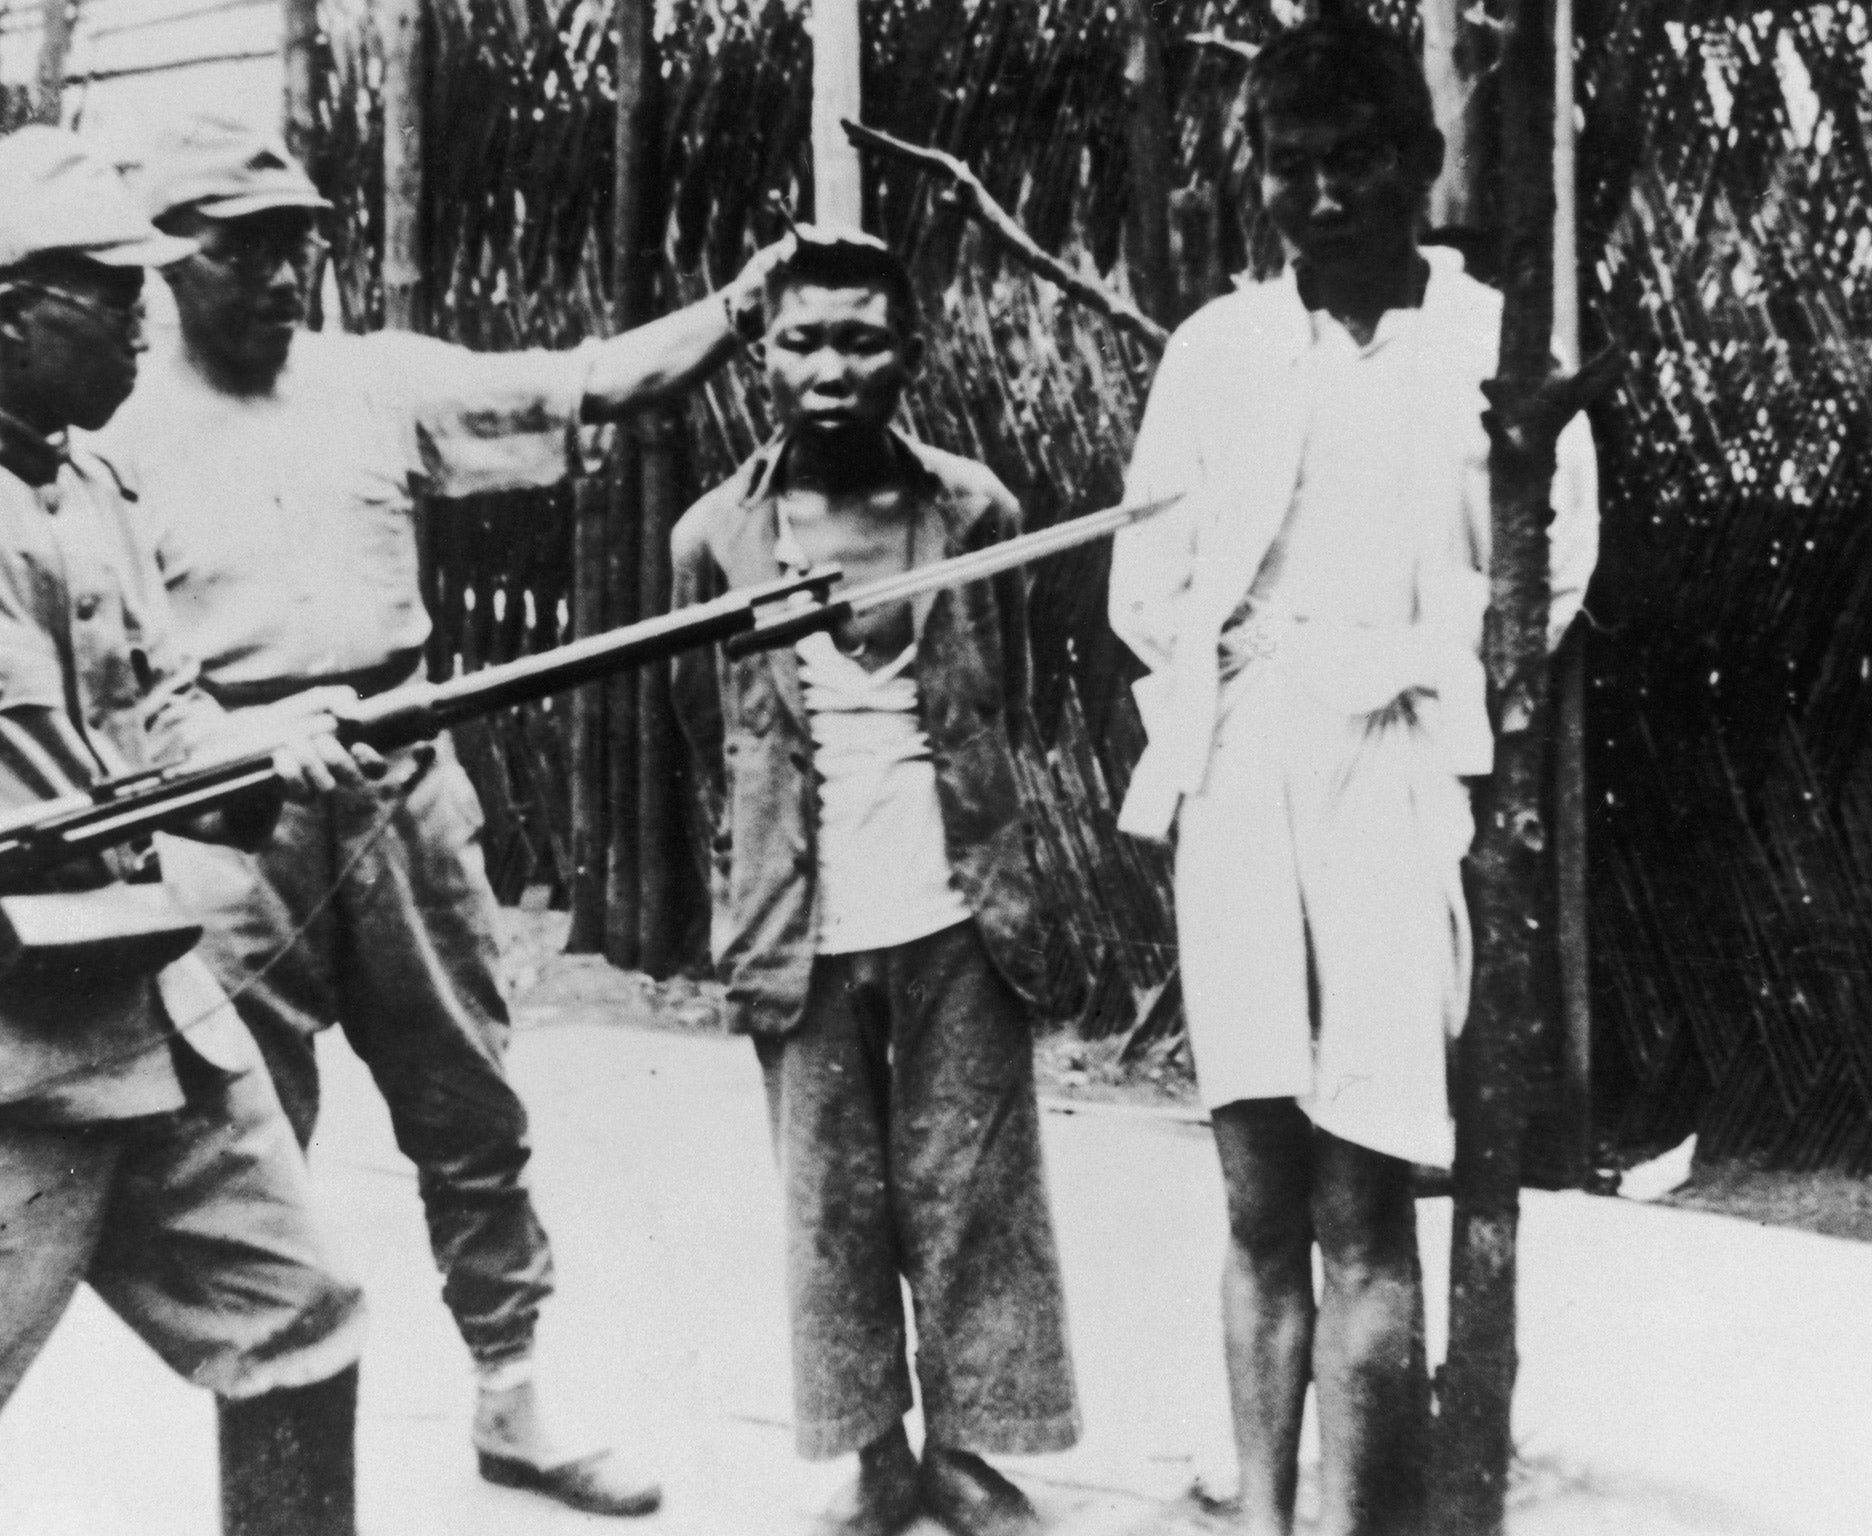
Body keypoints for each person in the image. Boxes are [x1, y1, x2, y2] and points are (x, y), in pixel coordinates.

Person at [101, 112, 790, 1517]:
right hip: (225, 819)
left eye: (300, 251)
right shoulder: (108, 432)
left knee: (470, 1112)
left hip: (403, 788)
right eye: (249, 255)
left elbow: (592, 384)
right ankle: (273, 1475)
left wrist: (744, 306)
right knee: (249, 1151)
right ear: (172, 262)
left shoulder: (379, 381)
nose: (286, 281)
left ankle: (515, 1404)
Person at [0, 127, 389, 1536]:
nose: (150, 316)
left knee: (302, 1331)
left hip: (162, 1030)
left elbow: (165, 720)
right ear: (8, 305)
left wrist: (271, 743)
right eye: (112, 289)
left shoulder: (94, 492)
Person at [1108, 18, 1599, 1536]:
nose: (1325, 196)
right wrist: (1248, 677)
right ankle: (1263, 1517)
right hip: (1245, 760)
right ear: (1262, 178)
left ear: (1419, 162)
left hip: (1398, 767)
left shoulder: (1495, 350)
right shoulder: (1220, 351)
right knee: (1258, 1189)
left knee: (1364, 1201)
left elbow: (1549, 573)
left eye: (1357, 161)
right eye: (1294, 166)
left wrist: (1402, 654)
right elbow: (1149, 583)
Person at [670, 230, 1081, 1536]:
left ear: (913, 355)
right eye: (804, 339)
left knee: (973, 1198)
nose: (833, 368)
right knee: (833, 1205)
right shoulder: (714, 539)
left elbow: (1005, 693)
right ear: (761, 357)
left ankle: (970, 1455)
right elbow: (705, 732)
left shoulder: (977, 511)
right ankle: (875, 1462)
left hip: (960, 910)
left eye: (863, 339)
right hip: (804, 922)